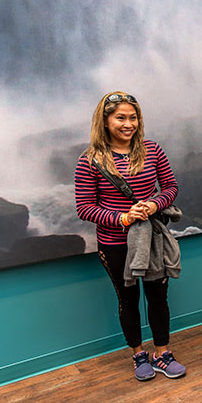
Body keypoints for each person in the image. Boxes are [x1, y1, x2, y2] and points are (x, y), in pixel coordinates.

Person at [75, 91, 186, 381]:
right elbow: (85, 208)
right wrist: (122, 217)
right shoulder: (90, 161)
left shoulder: (152, 150)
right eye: (120, 117)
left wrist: (154, 204)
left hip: (152, 240)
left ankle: (162, 353)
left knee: (158, 296)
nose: (128, 124)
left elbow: (171, 188)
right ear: (105, 121)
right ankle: (138, 354)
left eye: (133, 117)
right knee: (127, 298)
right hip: (114, 243)